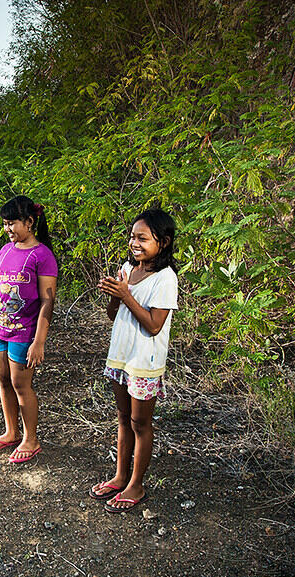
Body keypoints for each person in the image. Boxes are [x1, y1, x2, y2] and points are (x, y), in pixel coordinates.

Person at [90, 209, 179, 513]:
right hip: (121, 357)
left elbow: (154, 325)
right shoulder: (129, 268)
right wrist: (115, 293)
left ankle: (136, 485)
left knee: (140, 422)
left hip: (144, 360)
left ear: (163, 242)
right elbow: (113, 314)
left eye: (143, 238)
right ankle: (120, 476)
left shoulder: (166, 279)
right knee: (123, 419)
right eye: (132, 236)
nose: (134, 243)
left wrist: (126, 294)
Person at [0, 196, 57, 464]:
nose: (8, 229)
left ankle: (30, 439)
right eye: (5, 224)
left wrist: (39, 342)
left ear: (30, 222)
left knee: (21, 384)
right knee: (3, 380)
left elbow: (48, 301)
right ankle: (11, 432)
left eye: (12, 223)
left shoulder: (42, 256)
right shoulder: (5, 251)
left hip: (24, 333)